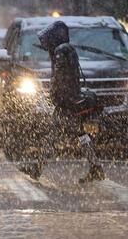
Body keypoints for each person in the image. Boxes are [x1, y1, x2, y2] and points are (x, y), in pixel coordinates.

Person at [24, 21, 105, 183]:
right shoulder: (67, 49)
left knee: (52, 136)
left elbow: (61, 78)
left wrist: (57, 96)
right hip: (72, 101)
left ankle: (38, 168)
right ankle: (95, 167)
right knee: (80, 135)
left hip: (66, 103)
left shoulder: (61, 51)